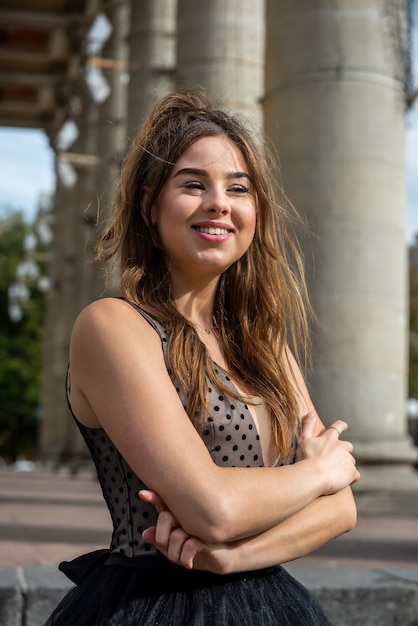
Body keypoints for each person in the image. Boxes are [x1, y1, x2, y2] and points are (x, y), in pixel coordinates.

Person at [45, 87, 360, 625]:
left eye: (238, 189)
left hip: (267, 600)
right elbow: (211, 508)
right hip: (149, 606)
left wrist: (233, 556)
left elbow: (342, 510)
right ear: (150, 205)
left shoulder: (263, 341)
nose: (219, 202)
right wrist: (319, 471)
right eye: (193, 184)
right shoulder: (113, 325)